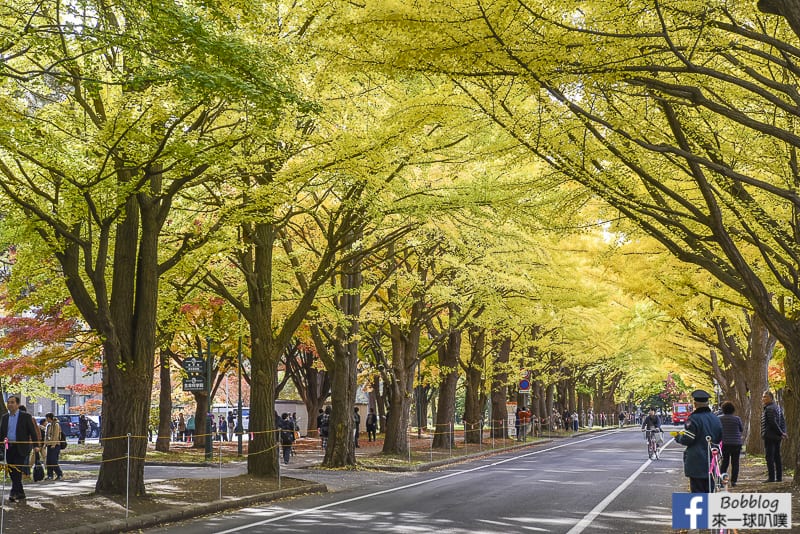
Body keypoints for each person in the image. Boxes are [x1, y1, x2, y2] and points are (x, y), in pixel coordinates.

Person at [672, 389, 723, 493]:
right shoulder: (715, 418)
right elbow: (720, 437)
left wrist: (678, 437)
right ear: (707, 403)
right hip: (712, 459)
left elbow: (688, 439)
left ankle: (701, 509)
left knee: (697, 491)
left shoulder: (693, 419)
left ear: (695, 404)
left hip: (696, 460)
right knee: (710, 489)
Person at [0, 395, 41, 502]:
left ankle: (13, 493)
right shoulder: (5, 417)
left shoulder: (25, 416)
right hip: (9, 448)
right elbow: (2, 433)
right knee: (12, 471)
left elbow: (32, 432)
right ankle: (21, 493)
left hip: (21, 448)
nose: (10, 404)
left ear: (17, 404)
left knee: (17, 470)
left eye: (12, 402)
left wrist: (36, 445)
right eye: (8, 402)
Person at [761, 390, 787, 483]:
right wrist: (782, 432)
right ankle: (779, 477)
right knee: (777, 457)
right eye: (763, 396)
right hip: (776, 436)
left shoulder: (769, 408)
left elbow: (773, 423)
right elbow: (782, 421)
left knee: (770, 457)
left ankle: (771, 477)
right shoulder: (777, 407)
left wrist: (781, 433)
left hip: (770, 436)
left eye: (765, 397)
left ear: (771, 398)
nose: (763, 398)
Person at [718, 401, 743, 487]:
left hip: (725, 443)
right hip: (736, 443)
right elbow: (741, 429)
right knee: (735, 463)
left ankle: (722, 480)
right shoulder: (737, 419)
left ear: (723, 409)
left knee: (725, 462)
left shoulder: (719, 418)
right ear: (733, 410)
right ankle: (734, 481)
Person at [44, 413, 64, 481]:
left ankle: (59, 474)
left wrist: (53, 444)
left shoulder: (56, 424)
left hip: (55, 445)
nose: (46, 419)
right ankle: (50, 475)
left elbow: (56, 435)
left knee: (53, 461)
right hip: (49, 445)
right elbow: (46, 435)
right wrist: (45, 444)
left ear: (50, 418)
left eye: (47, 418)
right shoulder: (48, 425)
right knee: (48, 461)